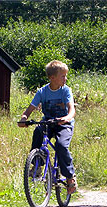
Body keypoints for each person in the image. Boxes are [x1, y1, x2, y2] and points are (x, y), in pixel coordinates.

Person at [18, 60, 77, 194]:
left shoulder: (66, 90)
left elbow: (72, 110)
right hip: (49, 122)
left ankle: (69, 177)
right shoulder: (42, 92)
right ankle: (37, 165)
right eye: (63, 76)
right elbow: (28, 110)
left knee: (61, 146)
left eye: (65, 76)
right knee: (38, 132)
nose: (65, 79)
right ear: (52, 78)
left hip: (64, 123)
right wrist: (24, 119)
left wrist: (67, 118)